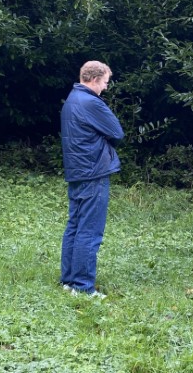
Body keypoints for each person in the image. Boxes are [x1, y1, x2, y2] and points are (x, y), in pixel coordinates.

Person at [59, 60, 124, 298]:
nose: (106, 87)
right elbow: (117, 133)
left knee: (75, 227)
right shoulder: (91, 102)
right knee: (90, 230)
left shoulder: (72, 100)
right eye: (105, 82)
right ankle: (83, 287)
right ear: (95, 79)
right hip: (93, 172)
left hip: (77, 171)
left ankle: (68, 281)